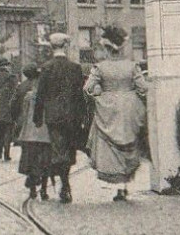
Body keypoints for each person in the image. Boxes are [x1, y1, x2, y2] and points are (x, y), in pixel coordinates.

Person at [82, 24, 149, 201]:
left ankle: (118, 186)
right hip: (130, 108)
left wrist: (99, 92)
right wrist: (133, 94)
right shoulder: (132, 66)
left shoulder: (100, 67)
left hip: (108, 107)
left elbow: (87, 88)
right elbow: (143, 88)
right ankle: (124, 185)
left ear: (107, 48)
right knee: (129, 145)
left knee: (111, 147)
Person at [33, 33, 88, 203]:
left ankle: (64, 183)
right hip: (72, 116)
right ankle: (65, 183)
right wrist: (84, 115)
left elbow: (40, 94)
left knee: (58, 149)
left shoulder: (46, 68)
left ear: (51, 47)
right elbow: (80, 95)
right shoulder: (75, 68)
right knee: (69, 150)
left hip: (53, 116)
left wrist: (37, 116)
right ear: (65, 46)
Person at [9, 64, 51, 199]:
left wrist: (17, 125)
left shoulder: (23, 89)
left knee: (30, 160)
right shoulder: (47, 93)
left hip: (29, 132)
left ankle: (32, 188)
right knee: (45, 161)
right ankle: (44, 189)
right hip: (44, 132)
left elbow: (17, 109)